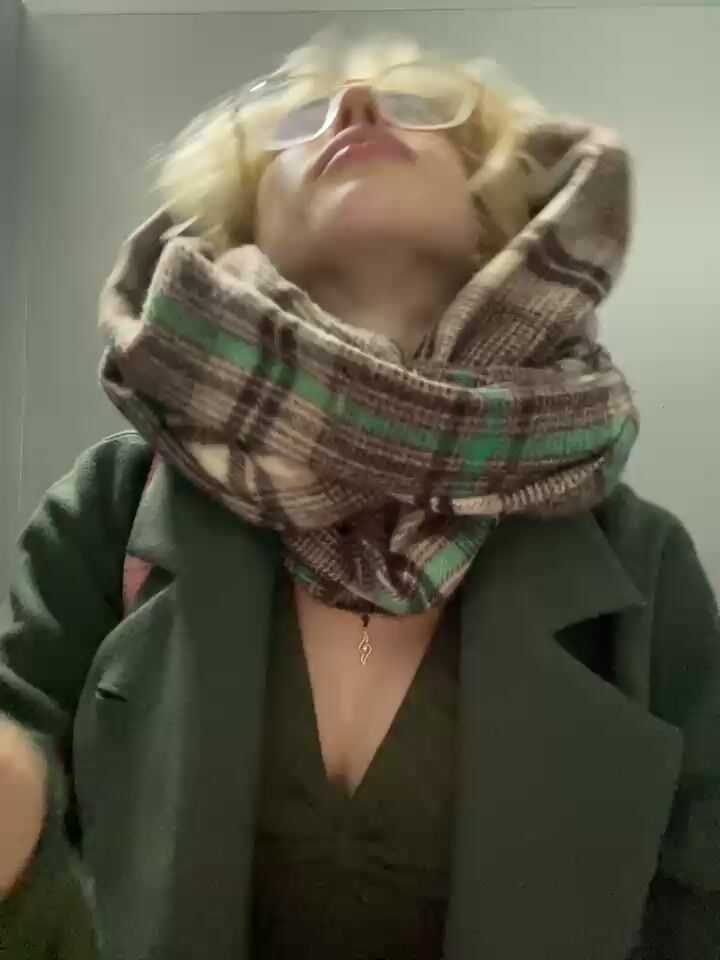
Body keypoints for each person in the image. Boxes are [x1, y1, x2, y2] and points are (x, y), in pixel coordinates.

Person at [0, 35, 718, 960]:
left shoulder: (641, 561)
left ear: (491, 218)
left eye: (417, 106)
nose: (356, 108)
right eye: (300, 117)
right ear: (242, 228)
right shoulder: (109, 507)